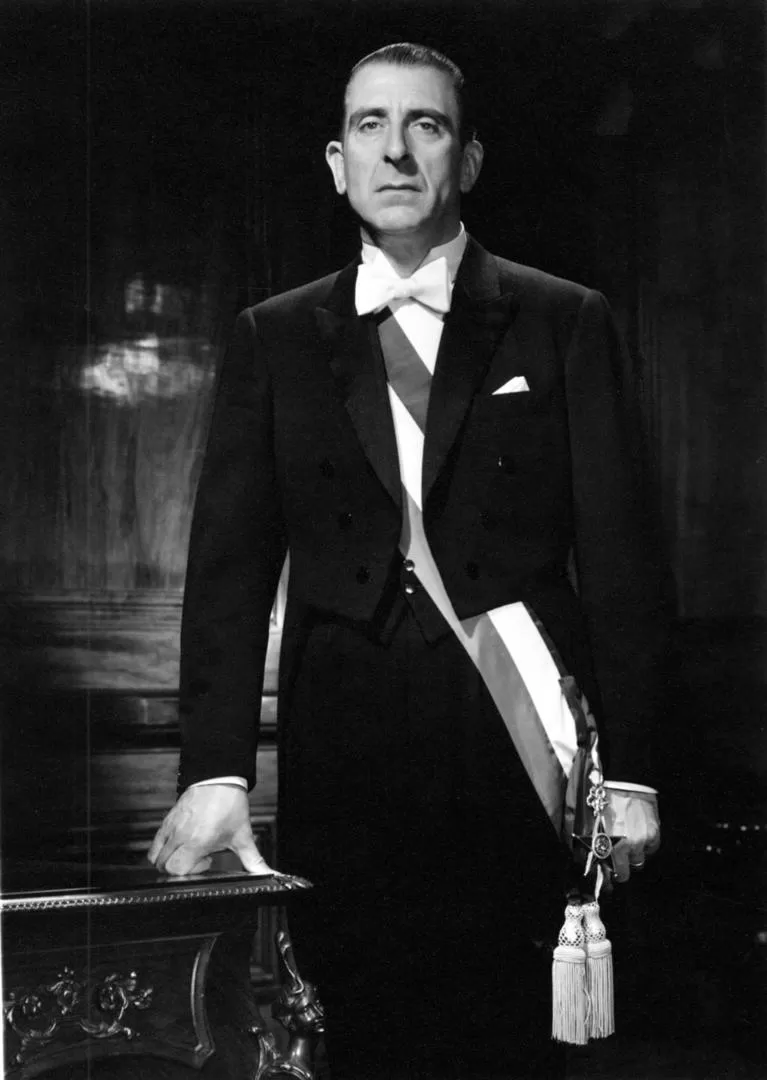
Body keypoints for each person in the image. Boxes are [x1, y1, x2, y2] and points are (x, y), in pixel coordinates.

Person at [149, 43, 667, 1079]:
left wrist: (635, 773)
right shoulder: (273, 336)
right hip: (344, 750)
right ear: (336, 162)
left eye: (424, 125)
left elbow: (624, 562)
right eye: (370, 126)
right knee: (361, 1031)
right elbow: (228, 577)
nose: (395, 150)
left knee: (509, 1043)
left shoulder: (563, 319)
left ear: (465, 159)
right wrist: (214, 769)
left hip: (517, 750)